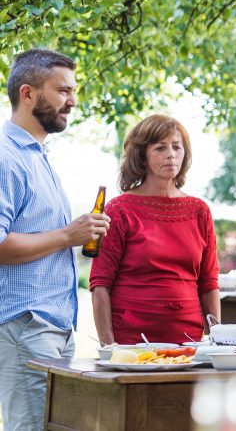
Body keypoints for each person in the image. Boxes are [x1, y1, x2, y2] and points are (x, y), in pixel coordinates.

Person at [0, 49, 110, 430]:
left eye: (74, 90)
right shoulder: (5, 156)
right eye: (63, 90)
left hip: (54, 328)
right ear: (27, 93)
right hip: (25, 325)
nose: (73, 101)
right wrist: (68, 234)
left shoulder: (39, 156)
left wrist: (75, 237)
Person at [89, 115, 221, 345]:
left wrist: (218, 340)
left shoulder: (200, 211)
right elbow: (100, 284)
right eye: (160, 147)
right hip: (132, 341)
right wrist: (108, 347)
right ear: (142, 155)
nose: (171, 154)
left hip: (189, 341)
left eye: (177, 147)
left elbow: (209, 282)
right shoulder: (120, 209)